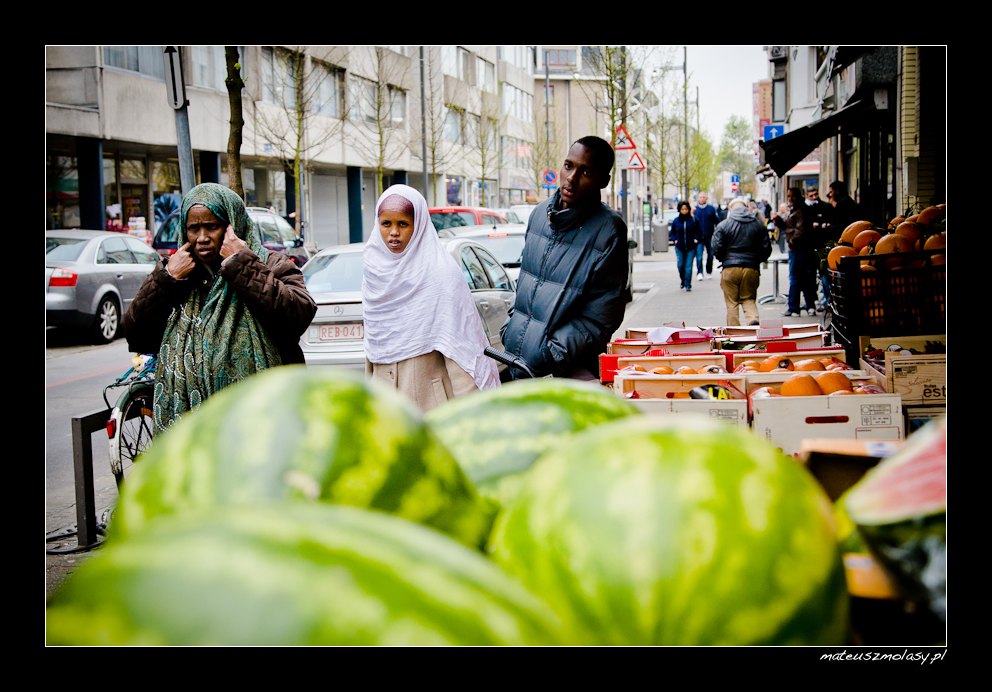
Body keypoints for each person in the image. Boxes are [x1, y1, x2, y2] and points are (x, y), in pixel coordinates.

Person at [123, 182, 317, 432]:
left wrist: (241, 264)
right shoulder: (177, 273)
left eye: (212, 226)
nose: (202, 238)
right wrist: (166, 279)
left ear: (232, 227)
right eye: (193, 229)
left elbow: (298, 315)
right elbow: (137, 334)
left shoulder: (271, 263)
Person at [500, 135, 629, 380]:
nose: (571, 178)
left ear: (603, 181)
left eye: (586, 172)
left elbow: (601, 317)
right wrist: (511, 330)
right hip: (519, 363)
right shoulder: (539, 215)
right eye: (568, 166)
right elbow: (526, 286)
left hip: (566, 374)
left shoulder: (609, 230)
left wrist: (551, 355)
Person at [363, 184, 499, 410]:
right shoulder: (374, 269)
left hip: (429, 403)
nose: (394, 232)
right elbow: (374, 340)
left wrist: (472, 413)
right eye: (386, 224)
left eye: (403, 224)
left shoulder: (440, 272)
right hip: (383, 401)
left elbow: (461, 348)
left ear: (418, 225)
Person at [712, 198, 772, 326]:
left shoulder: (724, 225)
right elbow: (766, 248)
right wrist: (757, 260)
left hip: (730, 267)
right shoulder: (758, 225)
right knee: (749, 298)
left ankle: (734, 331)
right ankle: (752, 320)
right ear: (746, 208)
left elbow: (716, 247)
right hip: (751, 267)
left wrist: (724, 259)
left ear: (730, 208)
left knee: (732, 303)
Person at [771, 186, 819, 317]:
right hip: (802, 248)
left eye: (792, 196)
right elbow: (789, 226)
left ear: (798, 196)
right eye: (789, 196)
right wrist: (778, 221)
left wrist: (792, 242)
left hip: (799, 248)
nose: (790, 198)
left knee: (796, 277)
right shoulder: (796, 209)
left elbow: (800, 230)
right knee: (805, 277)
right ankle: (809, 306)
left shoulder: (801, 210)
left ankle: (794, 307)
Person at [669, 200, 700, 292]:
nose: (684, 211)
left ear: (688, 209)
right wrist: (675, 240)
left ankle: (688, 284)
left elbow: (699, 231)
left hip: (691, 247)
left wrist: (696, 239)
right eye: (682, 209)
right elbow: (672, 233)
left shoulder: (693, 220)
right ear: (679, 210)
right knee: (680, 265)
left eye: (686, 209)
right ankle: (683, 280)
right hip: (679, 247)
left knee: (688, 267)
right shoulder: (676, 221)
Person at [693, 192, 721, 281]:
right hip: (699, 237)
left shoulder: (711, 209)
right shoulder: (695, 210)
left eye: (704, 197)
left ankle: (709, 271)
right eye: (700, 197)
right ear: (698, 199)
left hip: (709, 236)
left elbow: (717, 221)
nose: (702, 199)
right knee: (699, 255)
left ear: (706, 198)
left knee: (710, 255)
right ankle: (699, 272)